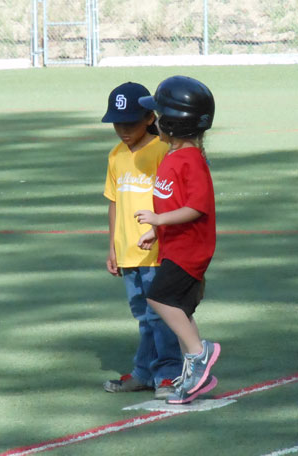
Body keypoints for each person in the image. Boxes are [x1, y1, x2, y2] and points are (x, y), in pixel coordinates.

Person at [134, 75, 221, 404]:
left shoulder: (191, 161)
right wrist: (155, 230)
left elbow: (195, 208)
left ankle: (200, 354)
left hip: (190, 250)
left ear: (173, 122)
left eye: (157, 115)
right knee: (180, 309)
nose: (153, 121)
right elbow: (171, 203)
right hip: (174, 246)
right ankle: (197, 375)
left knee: (159, 299)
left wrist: (158, 220)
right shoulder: (173, 157)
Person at [102, 81, 183, 399]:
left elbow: (174, 199)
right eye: (117, 123)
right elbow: (114, 202)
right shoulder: (116, 155)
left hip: (156, 249)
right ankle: (148, 373)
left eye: (131, 122)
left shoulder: (163, 150)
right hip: (127, 251)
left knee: (158, 314)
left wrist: (161, 231)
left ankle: (167, 373)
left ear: (150, 118)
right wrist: (112, 246)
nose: (123, 129)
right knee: (142, 315)